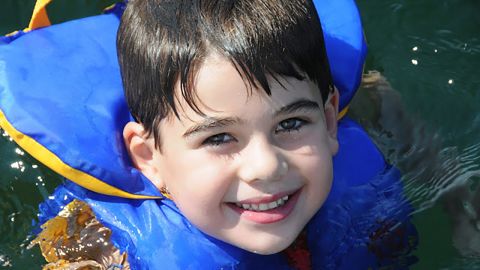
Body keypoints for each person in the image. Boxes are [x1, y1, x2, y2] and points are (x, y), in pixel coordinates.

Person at [0, 0, 417, 269]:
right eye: (218, 138)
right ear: (148, 158)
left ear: (328, 122)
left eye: (290, 124)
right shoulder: (105, 245)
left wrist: (458, 206)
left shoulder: (358, 166)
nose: (267, 166)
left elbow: (383, 103)